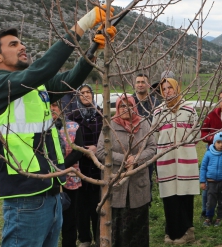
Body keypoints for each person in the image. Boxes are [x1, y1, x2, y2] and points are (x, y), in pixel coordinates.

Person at [0, 6, 114, 247]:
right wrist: (84, 23)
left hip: (51, 188)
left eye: (21, 43)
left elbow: (68, 81)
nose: (22, 47)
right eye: (13, 45)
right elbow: (44, 69)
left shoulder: (33, 86)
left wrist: (92, 52)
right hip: (24, 193)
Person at [96, 95, 157, 247]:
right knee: (117, 227)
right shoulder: (110, 126)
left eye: (128, 105)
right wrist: (123, 159)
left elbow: (152, 147)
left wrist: (137, 158)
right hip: (116, 183)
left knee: (137, 227)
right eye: (121, 106)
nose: (125, 109)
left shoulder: (144, 124)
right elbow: (101, 151)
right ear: (117, 108)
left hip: (138, 184)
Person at [152, 78, 199, 245]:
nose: (167, 92)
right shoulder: (158, 112)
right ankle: (171, 232)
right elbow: (154, 137)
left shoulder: (189, 109)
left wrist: (184, 147)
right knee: (170, 196)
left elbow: (197, 133)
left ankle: (187, 231)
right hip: (166, 161)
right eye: (163, 89)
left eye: (170, 88)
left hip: (186, 160)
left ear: (177, 88)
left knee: (185, 195)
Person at [66, 84, 103, 247]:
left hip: (97, 163)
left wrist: (97, 147)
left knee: (97, 202)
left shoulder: (101, 114)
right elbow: (68, 139)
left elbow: (106, 136)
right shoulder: (73, 115)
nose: (85, 95)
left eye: (88, 92)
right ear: (78, 96)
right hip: (78, 164)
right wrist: (81, 150)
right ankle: (84, 238)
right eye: (82, 93)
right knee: (80, 204)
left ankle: (98, 236)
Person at [50, 103, 84, 247]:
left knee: (70, 218)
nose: (52, 109)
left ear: (62, 108)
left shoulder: (73, 127)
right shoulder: (41, 128)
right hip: (48, 180)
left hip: (71, 178)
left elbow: (78, 151)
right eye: (49, 106)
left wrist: (61, 167)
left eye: (55, 106)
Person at [200, 132, 222, 227]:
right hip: (211, 182)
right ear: (214, 142)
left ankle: (219, 218)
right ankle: (209, 218)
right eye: (218, 142)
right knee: (210, 201)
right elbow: (203, 167)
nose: (221, 145)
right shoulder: (208, 154)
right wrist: (202, 181)